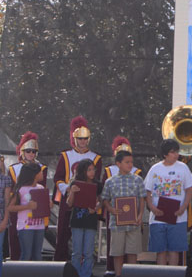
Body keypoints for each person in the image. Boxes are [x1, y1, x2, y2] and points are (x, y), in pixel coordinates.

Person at [53, 116, 102, 261]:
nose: (83, 141)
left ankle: (84, 269)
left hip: (87, 202)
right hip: (69, 200)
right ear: (74, 138)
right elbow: (58, 178)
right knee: (62, 233)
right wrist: (68, 189)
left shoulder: (96, 158)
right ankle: (59, 266)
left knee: (86, 236)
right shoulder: (65, 155)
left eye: (85, 138)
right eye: (80, 138)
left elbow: (97, 180)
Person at [144, 139, 192, 266]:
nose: (176, 155)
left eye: (177, 152)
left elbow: (189, 190)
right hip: (158, 218)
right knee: (160, 251)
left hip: (178, 218)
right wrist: (152, 207)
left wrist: (184, 207)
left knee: (174, 250)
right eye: (172, 152)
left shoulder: (183, 168)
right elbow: (147, 191)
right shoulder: (155, 169)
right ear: (165, 154)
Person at [101, 136, 142, 277]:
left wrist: (140, 216)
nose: (130, 165)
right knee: (117, 252)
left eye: (131, 162)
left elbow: (142, 199)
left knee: (132, 252)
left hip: (133, 223)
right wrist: (111, 209)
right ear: (118, 163)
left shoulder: (138, 179)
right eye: (127, 162)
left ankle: (132, 274)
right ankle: (118, 274)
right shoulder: (110, 181)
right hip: (116, 223)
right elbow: (104, 199)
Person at [7, 131, 48, 260]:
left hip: (37, 216)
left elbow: (43, 192)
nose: (31, 154)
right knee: (17, 242)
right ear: (22, 152)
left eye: (34, 151)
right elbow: (11, 194)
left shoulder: (42, 168)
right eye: (28, 151)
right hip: (20, 214)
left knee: (36, 253)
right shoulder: (13, 168)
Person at [67, 159, 103, 277]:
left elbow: (102, 201)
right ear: (83, 171)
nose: (92, 172)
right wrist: (72, 192)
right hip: (77, 221)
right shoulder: (75, 183)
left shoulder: (98, 185)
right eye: (89, 170)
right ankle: (75, 274)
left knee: (88, 252)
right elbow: (69, 203)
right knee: (77, 252)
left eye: (93, 169)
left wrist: (96, 208)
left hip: (90, 221)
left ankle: (86, 274)